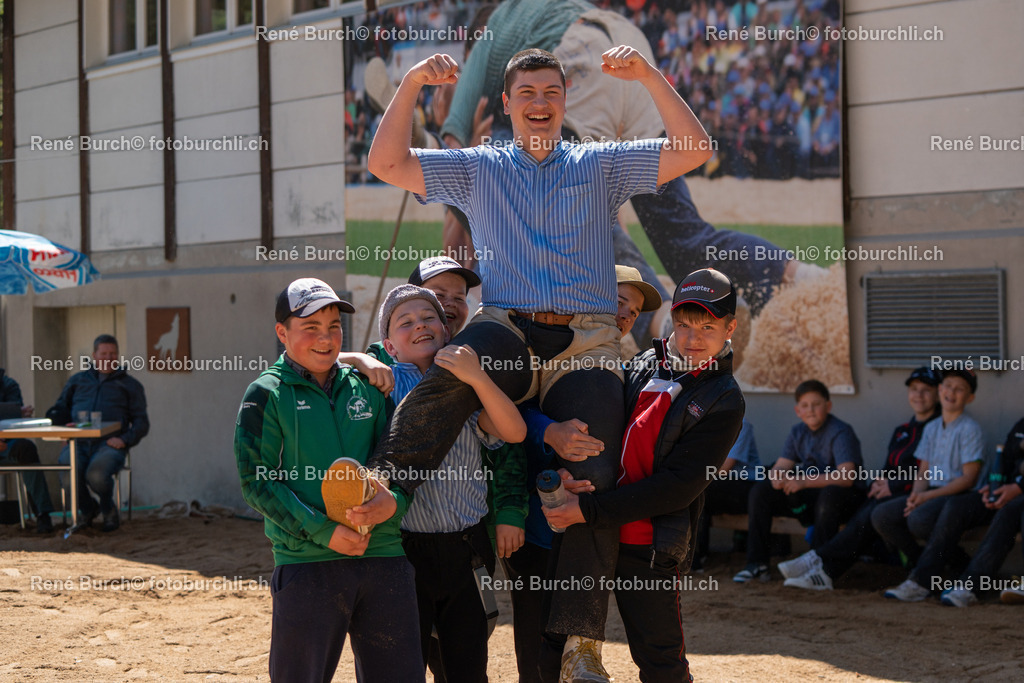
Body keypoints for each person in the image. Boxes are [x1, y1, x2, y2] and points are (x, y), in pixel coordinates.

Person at [360, 44, 711, 680]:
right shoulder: (478, 168)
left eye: (551, 91)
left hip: (586, 341)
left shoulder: (600, 163)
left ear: (565, 99)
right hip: (508, 328)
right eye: (527, 93)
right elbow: (386, 162)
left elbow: (693, 148)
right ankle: (387, 485)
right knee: (454, 369)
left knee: (594, 467)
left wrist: (649, 75)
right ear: (507, 104)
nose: (540, 103)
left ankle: (582, 642)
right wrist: (411, 81)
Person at [437, 0, 821, 318]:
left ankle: (662, 321)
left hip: (583, 62)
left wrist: (449, 127)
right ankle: (799, 276)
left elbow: (454, 154)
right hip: (629, 55)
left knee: (568, 205)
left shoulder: (494, 33)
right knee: (681, 234)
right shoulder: (544, 14)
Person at [541, 267, 745, 682]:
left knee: (661, 664)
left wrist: (589, 510)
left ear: (730, 328)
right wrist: (566, 472)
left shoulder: (724, 398)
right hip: (592, 530)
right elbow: (598, 434)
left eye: (707, 327)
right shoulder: (642, 363)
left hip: (648, 545)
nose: (691, 338)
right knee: (557, 645)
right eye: (683, 324)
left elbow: (678, 488)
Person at [234, 278, 423, 683]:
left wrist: (394, 503)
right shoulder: (265, 394)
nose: (326, 338)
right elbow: (257, 483)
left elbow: (398, 461)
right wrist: (324, 532)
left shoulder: (368, 387)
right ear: (282, 332)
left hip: (383, 556)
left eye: (334, 326)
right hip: (308, 563)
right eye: (311, 327)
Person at [511, 265, 661, 682]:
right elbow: (507, 413)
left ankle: (584, 646)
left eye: (634, 311)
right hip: (536, 523)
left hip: (592, 525)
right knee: (535, 654)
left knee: (569, 660)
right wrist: (549, 433)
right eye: (619, 302)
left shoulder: (626, 371)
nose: (626, 315)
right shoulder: (544, 344)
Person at [377, 284, 526, 681]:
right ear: (389, 347)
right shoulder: (382, 388)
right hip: (404, 551)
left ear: (447, 333)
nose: (420, 325)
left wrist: (477, 377)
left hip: (468, 549)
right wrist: (357, 360)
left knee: (468, 665)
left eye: (430, 318)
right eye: (405, 322)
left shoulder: (465, 386)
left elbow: (514, 431)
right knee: (408, 662)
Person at [780, 367, 942, 590]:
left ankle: (820, 563)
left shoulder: (939, 428)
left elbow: (933, 472)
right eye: (914, 389)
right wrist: (878, 482)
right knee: (865, 509)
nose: (919, 395)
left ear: (937, 394)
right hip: (890, 493)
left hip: (918, 494)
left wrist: (893, 485)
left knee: (872, 514)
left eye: (926, 390)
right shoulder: (902, 430)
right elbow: (889, 467)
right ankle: (821, 568)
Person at [734, 379, 865, 582]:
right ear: (797, 411)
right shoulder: (798, 432)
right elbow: (782, 465)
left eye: (816, 404)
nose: (810, 410)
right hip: (812, 495)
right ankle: (757, 564)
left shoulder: (841, 431)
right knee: (762, 490)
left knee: (829, 494)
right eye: (805, 405)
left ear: (828, 406)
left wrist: (802, 482)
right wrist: (777, 477)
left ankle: (818, 566)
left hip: (843, 498)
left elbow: (846, 477)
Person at [872, 369, 984, 602]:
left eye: (960, 389)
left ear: (970, 398)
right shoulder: (932, 428)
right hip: (931, 492)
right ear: (940, 390)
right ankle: (939, 565)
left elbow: (968, 479)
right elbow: (923, 471)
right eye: (948, 386)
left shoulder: (970, 428)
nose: (951, 392)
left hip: (958, 495)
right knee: (883, 515)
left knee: (919, 519)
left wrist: (926, 499)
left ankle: (924, 578)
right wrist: (915, 496)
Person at [45, 334, 149, 532]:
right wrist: (63, 430)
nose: (109, 358)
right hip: (77, 443)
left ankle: (108, 508)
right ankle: (88, 509)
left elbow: (142, 422)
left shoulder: (130, 385)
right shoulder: (77, 381)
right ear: (94, 355)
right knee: (68, 476)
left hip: (109, 444)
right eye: (104, 353)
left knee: (96, 475)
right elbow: (59, 410)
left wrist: (124, 439)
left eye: (113, 354)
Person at [941, 416, 1024, 606]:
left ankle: (971, 585)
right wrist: (995, 486)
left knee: (1011, 511)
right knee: (959, 506)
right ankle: (960, 586)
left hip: (1017, 496)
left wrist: (1019, 487)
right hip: (1011, 494)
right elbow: (1006, 460)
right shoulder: (1021, 425)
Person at [693, 417, 761, 568]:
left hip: (747, 484)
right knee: (694, 492)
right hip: (717, 484)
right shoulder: (703, 424)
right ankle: (695, 555)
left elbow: (726, 467)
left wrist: (694, 476)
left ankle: (696, 557)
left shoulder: (741, 424)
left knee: (699, 490)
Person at [0, 369, 55, 532]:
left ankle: (42, 513)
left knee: (26, 448)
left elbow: (14, 417)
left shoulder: (8, 385)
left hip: (6, 445)